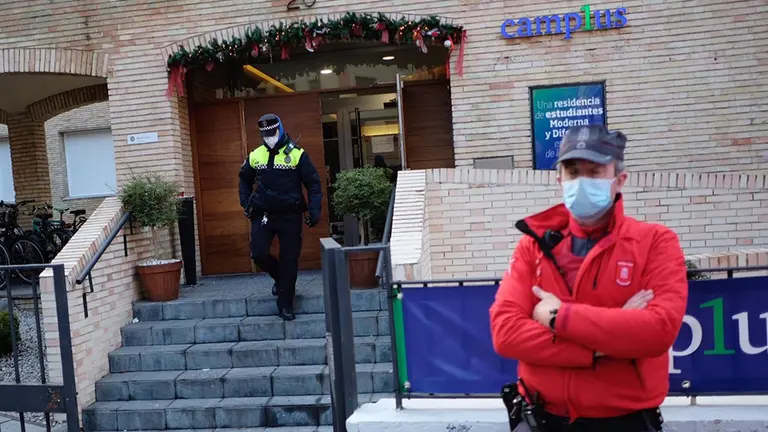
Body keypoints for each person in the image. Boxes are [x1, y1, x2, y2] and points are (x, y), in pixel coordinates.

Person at [490, 124, 688, 432]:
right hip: (541, 417)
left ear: (619, 180)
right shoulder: (534, 244)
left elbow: (658, 331)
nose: (582, 181)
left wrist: (558, 316)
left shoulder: (656, 242)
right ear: (560, 179)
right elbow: (505, 332)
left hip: (625, 422)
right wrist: (600, 346)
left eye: (594, 172)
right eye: (573, 172)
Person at [239, 113, 322, 321]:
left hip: (290, 214)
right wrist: (246, 202)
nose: (270, 137)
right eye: (265, 134)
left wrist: (314, 210)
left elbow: (313, 183)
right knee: (258, 253)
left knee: (289, 260)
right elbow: (244, 180)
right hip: (263, 214)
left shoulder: (297, 154)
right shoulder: (256, 155)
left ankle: (285, 304)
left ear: (281, 129)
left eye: (273, 133)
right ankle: (281, 279)